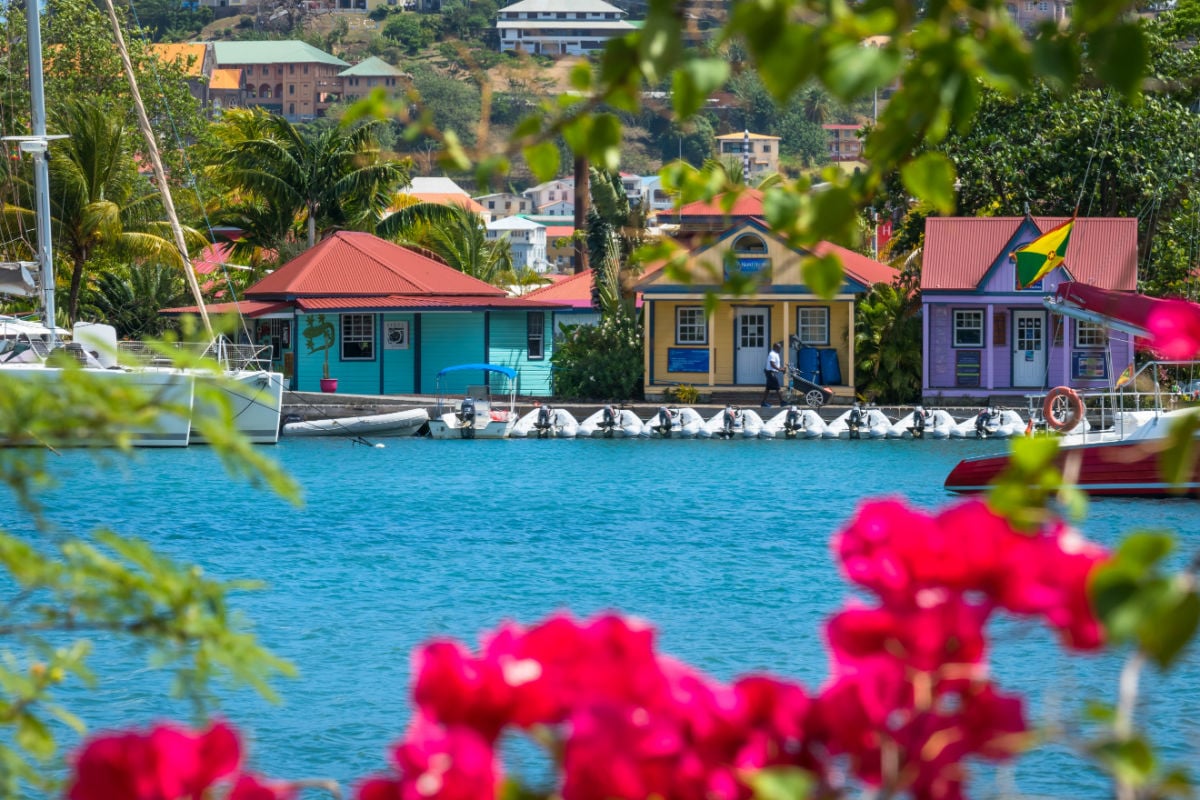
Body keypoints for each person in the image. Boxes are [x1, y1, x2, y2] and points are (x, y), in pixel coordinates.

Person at [761, 343, 784, 407]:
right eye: (779, 348)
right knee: (777, 388)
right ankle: (782, 402)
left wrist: (781, 368)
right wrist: (780, 369)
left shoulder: (775, 354)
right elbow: (772, 364)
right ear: (775, 348)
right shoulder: (772, 354)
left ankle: (763, 403)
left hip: (771, 372)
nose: (780, 349)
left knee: (768, 389)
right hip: (771, 373)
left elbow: (776, 364)